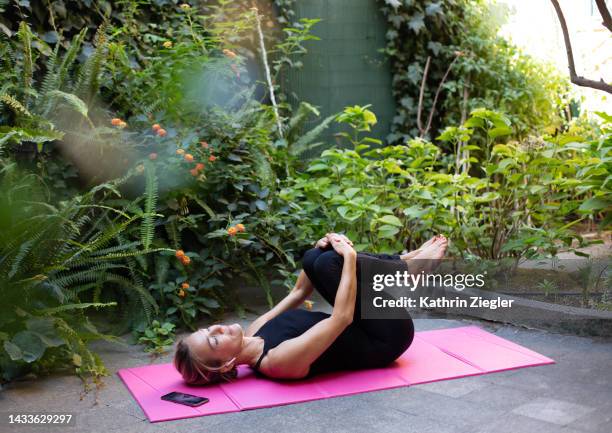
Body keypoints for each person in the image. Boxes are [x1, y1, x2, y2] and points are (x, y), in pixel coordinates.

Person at [174, 233, 448, 384]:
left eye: (209, 328)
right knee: (332, 262)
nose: (218, 326)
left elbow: (298, 293)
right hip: (386, 336)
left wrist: (316, 248)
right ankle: (407, 267)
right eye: (214, 338)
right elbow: (341, 318)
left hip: (363, 323)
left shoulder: (254, 331)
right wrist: (349, 257)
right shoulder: (276, 362)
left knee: (316, 257)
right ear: (226, 365)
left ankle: (406, 262)